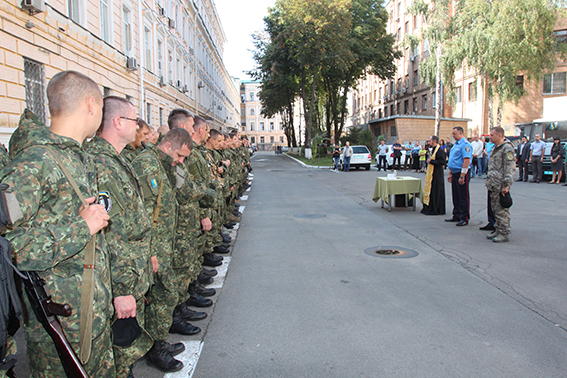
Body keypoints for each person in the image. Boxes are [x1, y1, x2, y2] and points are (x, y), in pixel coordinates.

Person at [0, 70, 115, 376]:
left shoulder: (78, 158)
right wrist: (80, 228)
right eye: (102, 108)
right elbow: (9, 248)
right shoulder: (35, 162)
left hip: (92, 318)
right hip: (61, 327)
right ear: (91, 105)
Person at [86, 96, 155, 377]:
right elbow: (110, 234)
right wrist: (123, 289)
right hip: (118, 283)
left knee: (124, 356)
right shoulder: (101, 164)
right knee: (116, 356)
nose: (138, 125)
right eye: (134, 120)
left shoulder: (118, 159)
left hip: (132, 272)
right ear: (117, 122)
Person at [132, 128, 195, 373]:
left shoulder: (162, 164)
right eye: (179, 155)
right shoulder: (147, 165)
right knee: (163, 296)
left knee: (162, 297)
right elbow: (144, 214)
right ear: (168, 146)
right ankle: (153, 349)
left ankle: (157, 342)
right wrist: (151, 252)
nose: (180, 161)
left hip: (163, 245)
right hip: (154, 249)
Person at [485, 127, 516, 243]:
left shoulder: (507, 148)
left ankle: (504, 232)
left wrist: (506, 185)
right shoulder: (495, 148)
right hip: (493, 183)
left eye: (492, 135)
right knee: (495, 208)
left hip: (501, 184)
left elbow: (509, 168)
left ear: (499, 135)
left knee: (502, 209)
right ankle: (497, 229)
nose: (490, 137)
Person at [445, 126, 473, 226]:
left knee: (463, 196)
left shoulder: (465, 145)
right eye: (452, 134)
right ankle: (456, 214)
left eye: (454, 134)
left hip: (462, 173)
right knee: (455, 195)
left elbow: (466, 161)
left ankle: (464, 217)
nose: (453, 136)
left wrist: (462, 176)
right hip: (455, 172)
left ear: (461, 133)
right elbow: (453, 160)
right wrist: (450, 173)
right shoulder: (455, 145)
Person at [421, 135, 446, 215]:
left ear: (434, 141)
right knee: (432, 191)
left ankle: (437, 209)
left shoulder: (440, 150)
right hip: (432, 174)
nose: (428, 142)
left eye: (430, 141)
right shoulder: (433, 149)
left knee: (437, 191)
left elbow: (442, 162)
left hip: (437, 174)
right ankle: (430, 207)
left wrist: (431, 162)